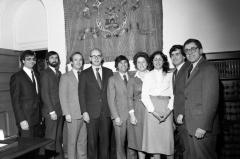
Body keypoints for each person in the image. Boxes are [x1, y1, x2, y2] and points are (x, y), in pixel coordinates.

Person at [182, 39, 219, 159]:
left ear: (201, 51)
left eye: (193, 49)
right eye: (187, 50)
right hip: (192, 125)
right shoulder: (190, 68)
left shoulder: (208, 68)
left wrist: (203, 126)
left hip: (202, 127)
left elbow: (211, 100)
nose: (190, 52)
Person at [78, 48, 113, 159]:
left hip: (106, 112)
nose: (96, 58)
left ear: (102, 58)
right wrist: (84, 112)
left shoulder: (109, 72)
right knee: (92, 143)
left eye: (98, 55)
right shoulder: (84, 74)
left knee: (105, 142)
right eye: (94, 56)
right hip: (91, 113)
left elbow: (112, 93)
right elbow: (81, 94)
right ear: (90, 58)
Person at [141, 51, 174, 159]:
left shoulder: (170, 74)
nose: (158, 61)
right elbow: (144, 96)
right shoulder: (147, 75)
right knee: (154, 146)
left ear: (164, 60)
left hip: (167, 108)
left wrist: (168, 111)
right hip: (151, 110)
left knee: (168, 144)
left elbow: (174, 95)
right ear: (152, 62)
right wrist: (153, 112)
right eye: (155, 59)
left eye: (160, 59)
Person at [59, 52, 87, 159]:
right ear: (71, 62)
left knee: (83, 142)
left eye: (80, 59)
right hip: (72, 114)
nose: (78, 62)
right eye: (75, 60)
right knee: (72, 143)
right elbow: (63, 96)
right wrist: (66, 113)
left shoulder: (85, 75)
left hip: (85, 114)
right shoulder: (65, 77)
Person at [107, 55, 136, 159]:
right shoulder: (112, 79)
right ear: (116, 66)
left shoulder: (133, 78)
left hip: (133, 116)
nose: (123, 65)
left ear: (128, 65)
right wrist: (116, 116)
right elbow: (111, 99)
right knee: (120, 143)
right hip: (119, 116)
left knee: (132, 143)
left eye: (125, 62)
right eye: (120, 63)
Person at [10, 50, 41, 138]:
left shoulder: (37, 75)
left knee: (36, 146)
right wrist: (21, 120)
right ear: (23, 61)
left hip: (37, 119)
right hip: (25, 119)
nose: (32, 61)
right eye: (28, 59)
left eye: (33, 59)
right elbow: (15, 101)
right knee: (27, 147)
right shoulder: (17, 77)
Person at [40, 51, 64, 159]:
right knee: (50, 138)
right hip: (51, 112)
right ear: (47, 60)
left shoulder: (59, 73)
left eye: (56, 58)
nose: (54, 60)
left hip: (59, 110)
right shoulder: (45, 73)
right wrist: (51, 111)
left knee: (58, 137)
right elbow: (45, 93)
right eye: (52, 58)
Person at [169, 45, 191, 159]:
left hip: (187, 116)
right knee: (185, 148)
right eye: (172, 55)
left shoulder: (189, 68)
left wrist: (182, 113)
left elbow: (190, 94)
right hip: (179, 118)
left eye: (177, 54)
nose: (174, 57)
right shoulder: (174, 72)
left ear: (184, 56)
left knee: (190, 150)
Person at [127, 52, 149, 159]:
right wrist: (132, 115)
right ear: (136, 64)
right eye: (138, 62)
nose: (141, 64)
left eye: (143, 62)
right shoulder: (132, 79)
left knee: (153, 139)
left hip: (152, 112)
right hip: (138, 111)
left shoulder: (153, 75)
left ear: (147, 63)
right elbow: (129, 98)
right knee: (140, 140)